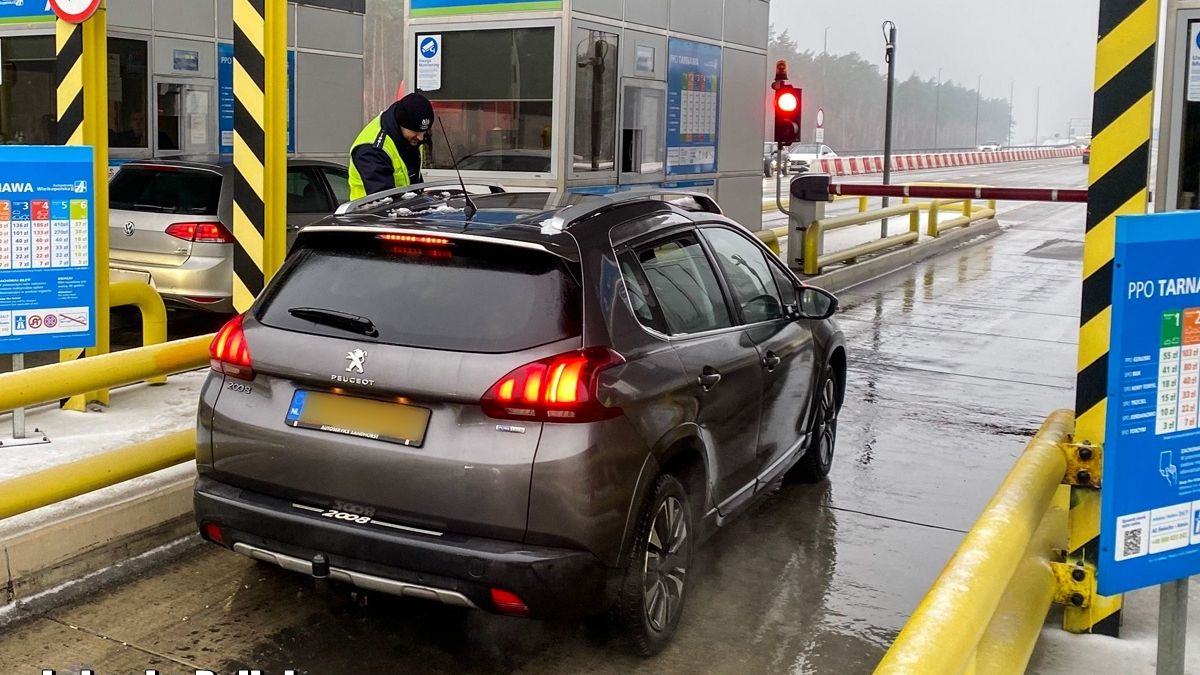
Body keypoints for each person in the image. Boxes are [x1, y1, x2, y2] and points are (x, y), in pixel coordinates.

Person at [348, 93, 434, 200]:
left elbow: (413, 179)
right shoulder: (373, 150)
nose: (421, 138)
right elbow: (384, 199)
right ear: (401, 124)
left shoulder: (410, 138)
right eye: (415, 132)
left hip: (403, 211)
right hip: (369, 213)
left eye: (424, 132)